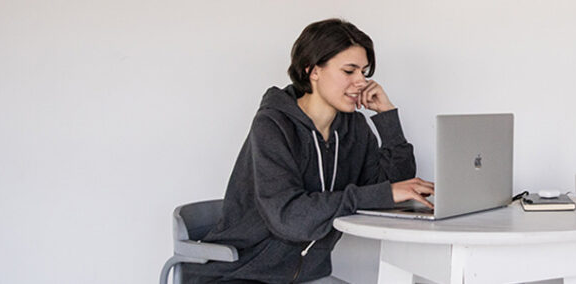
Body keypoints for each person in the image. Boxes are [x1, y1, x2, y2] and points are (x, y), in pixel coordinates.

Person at [182, 18, 435, 283]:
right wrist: (380, 194)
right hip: (239, 274)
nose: (361, 81)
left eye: (364, 71)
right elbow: (290, 217)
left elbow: (395, 189)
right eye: (349, 71)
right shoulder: (273, 125)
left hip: (303, 276)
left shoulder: (354, 128)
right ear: (313, 70)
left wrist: (388, 117)